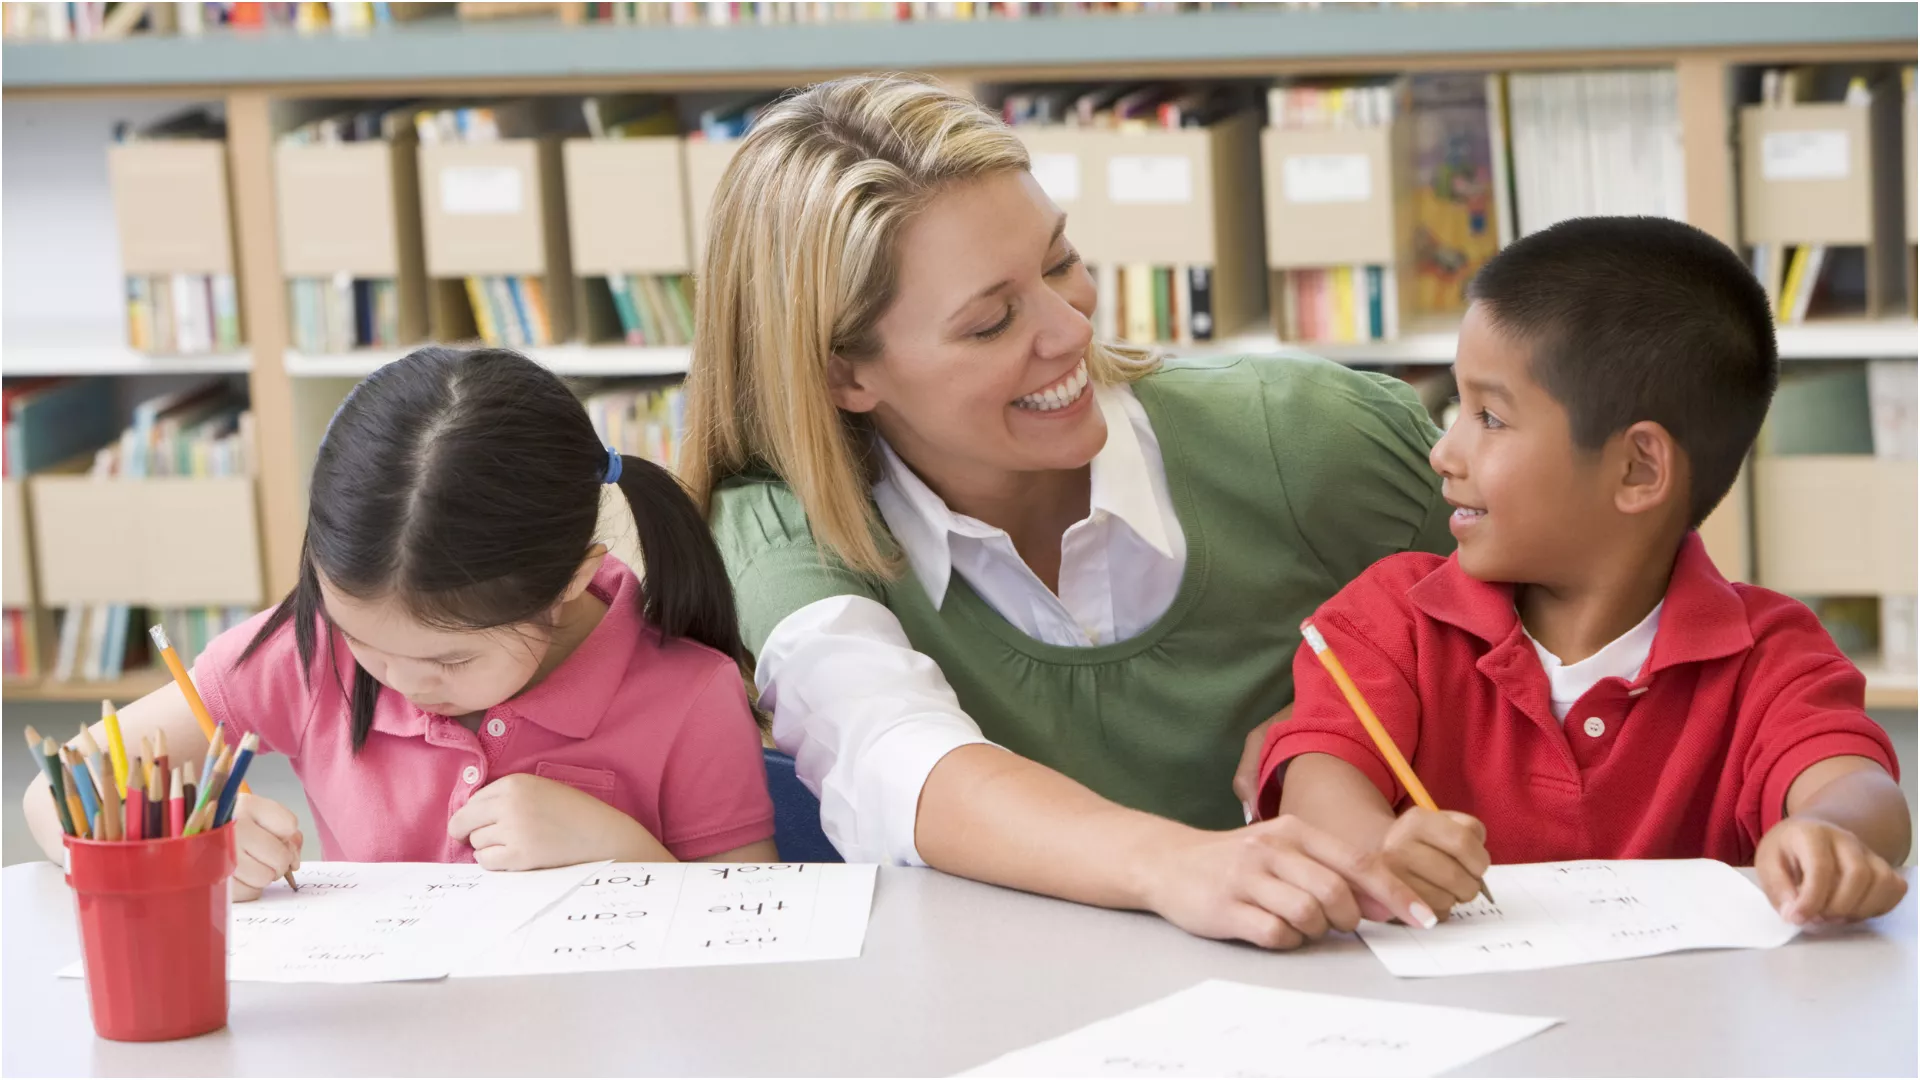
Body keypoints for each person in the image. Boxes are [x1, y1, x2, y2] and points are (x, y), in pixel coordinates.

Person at [681, 73, 1455, 949]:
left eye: (1058, 262)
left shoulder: (1318, 441)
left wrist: (1341, 725)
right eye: (990, 323)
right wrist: (1175, 864)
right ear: (842, 375)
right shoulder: (789, 531)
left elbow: (1561, 642)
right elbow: (890, 757)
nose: (1071, 329)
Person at [1259, 216, 1911, 926]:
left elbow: (1865, 792)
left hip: (1681, 1032)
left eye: (1490, 417)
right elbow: (1318, 784)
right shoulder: (1388, 618)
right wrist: (1375, 847)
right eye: (1457, 407)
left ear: (1637, 468)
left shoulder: (1771, 652)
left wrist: (1830, 836)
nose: (1444, 452)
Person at [26, 347, 777, 898]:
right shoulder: (311, 649)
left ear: (569, 583)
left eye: (450, 662)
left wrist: (624, 852)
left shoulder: (687, 692)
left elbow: (756, 923)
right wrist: (177, 843)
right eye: (366, 645)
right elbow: (54, 793)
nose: (406, 683)